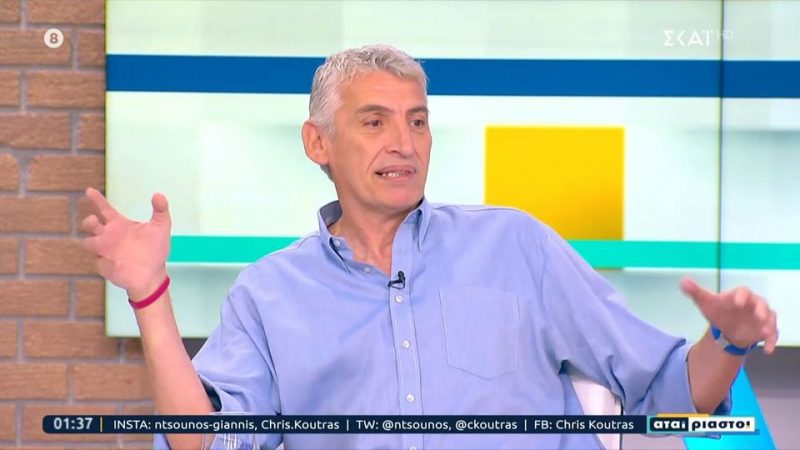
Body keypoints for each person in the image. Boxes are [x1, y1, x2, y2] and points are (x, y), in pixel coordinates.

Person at [81, 45, 778, 450]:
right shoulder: (269, 294)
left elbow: (673, 392)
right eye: (375, 122)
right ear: (318, 143)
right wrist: (150, 297)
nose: (404, 144)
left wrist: (728, 339)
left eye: (417, 121)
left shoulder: (516, 246)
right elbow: (205, 441)